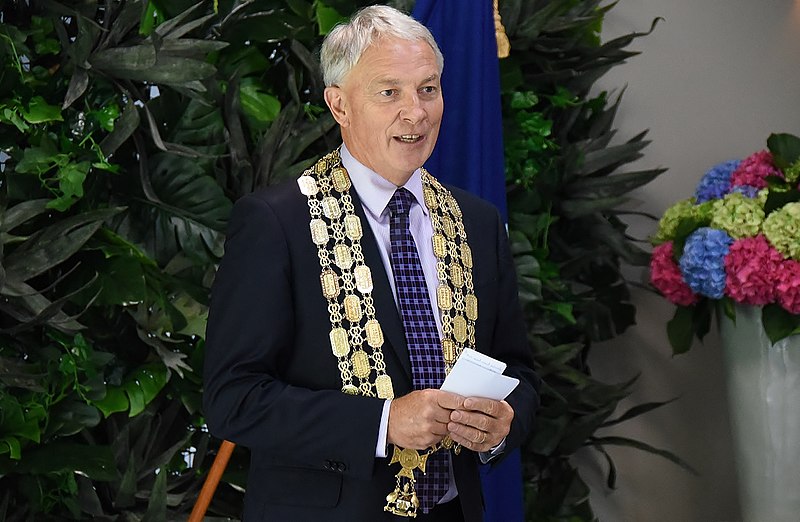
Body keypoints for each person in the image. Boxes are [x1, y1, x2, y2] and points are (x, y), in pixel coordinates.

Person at [203, 5, 540, 521]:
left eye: (428, 89)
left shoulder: (478, 222)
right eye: (390, 92)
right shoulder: (276, 223)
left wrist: (503, 422)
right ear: (339, 105)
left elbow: (519, 370)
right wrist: (384, 422)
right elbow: (234, 399)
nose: (416, 112)